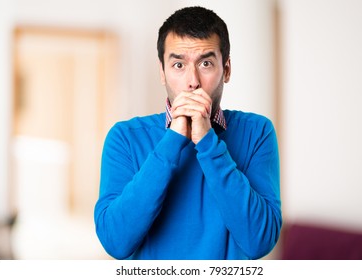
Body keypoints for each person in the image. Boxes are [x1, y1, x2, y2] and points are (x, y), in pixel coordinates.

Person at [94, 6, 282, 260]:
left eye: (205, 63)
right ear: (162, 72)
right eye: (178, 64)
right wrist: (172, 140)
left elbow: (260, 241)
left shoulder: (257, 132)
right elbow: (116, 242)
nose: (192, 81)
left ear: (226, 70)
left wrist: (207, 142)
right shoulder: (125, 138)